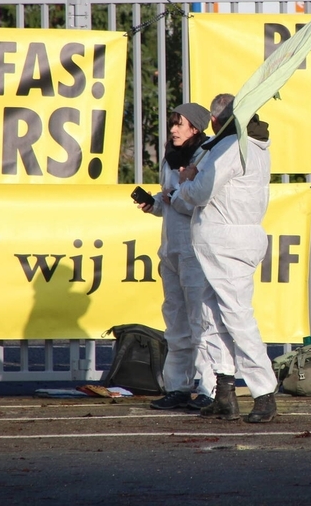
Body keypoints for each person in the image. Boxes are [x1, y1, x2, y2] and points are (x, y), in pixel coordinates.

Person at [175, 93, 278, 423]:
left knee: (236, 317)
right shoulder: (247, 145)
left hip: (227, 240)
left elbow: (201, 191)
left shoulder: (232, 146)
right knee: (213, 315)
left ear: (219, 121)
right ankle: (225, 392)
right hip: (224, 240)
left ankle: (264, 393)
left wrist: (186, 183)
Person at [138, 102, 217, 412]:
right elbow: (169, 199)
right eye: (172, 123)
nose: (172, 129)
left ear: (195, 128)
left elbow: (202, 201)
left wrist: (174, 198)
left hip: (195, 250)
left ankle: (210, 388)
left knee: (202, 321)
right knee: (176, 322)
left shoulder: (207, 156)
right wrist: (155, 203)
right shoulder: (172, 159)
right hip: (171, 249)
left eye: (179, 124)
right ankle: (178, 387)